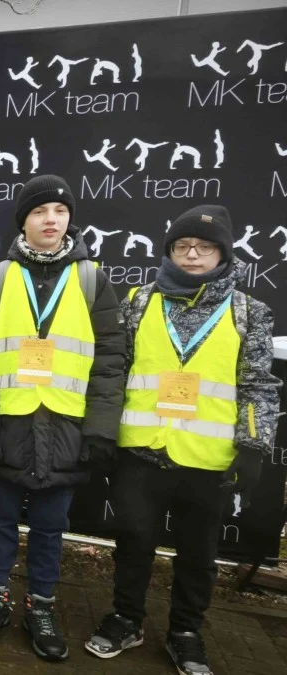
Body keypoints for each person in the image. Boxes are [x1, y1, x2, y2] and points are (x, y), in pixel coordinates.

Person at [85, 205, 280, 675]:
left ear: (222, 254)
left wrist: (253, 445)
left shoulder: (249, 312)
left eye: (204, 247)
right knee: (133, 541)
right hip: (142, 450)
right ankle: (126, 619)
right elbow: (115, 371)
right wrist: (105, 431)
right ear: (170, 251)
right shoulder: (139, 301)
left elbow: (258, 383)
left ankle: (186, 632)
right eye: (182, 246)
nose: (192, 255)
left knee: (198, 554)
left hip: (207, 458)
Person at [0, 175, 125, 661]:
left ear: (70, 219)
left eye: (58, 210)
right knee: (1, 521)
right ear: (23, 222)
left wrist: (99, 429)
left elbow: (111, 360)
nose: (50, 219)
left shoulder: (94, 280)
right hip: (9, 427)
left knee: (52, 527)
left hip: (66, 429)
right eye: (39, 212)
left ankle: (43, 606)